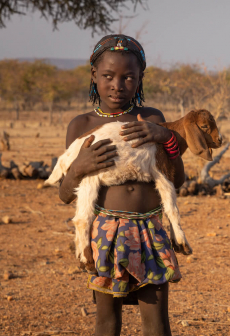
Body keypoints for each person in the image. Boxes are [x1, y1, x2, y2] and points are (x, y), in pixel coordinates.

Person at [58, 34, 184, 336]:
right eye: (108, 76)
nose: (118, 84)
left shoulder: (152, 118)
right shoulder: (81, 125)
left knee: (157, 324)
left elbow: (176, 179)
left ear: (140, 78)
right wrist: (78, 169)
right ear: (93, 75)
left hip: (150, 230)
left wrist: (166, 138)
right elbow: (64, 194)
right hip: (105, 233)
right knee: (106, 321)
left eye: (128, 76)